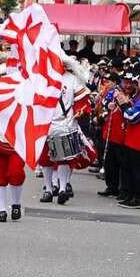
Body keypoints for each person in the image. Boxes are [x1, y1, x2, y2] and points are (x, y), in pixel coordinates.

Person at [39, 57, 90, 205]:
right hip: (45, 124)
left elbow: (82, 102)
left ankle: (61, 189)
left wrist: (81, 111)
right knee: (46, 159)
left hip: (65, 124)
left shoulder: (72, 79)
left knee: (63, 158)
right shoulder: (41, 78)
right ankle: (49, 189)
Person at [120, 71, 140, 209]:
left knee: (138, 171)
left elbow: (132, 116)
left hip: (139, 142)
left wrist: (124, 105)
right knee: (131, 170)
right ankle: (132, 195)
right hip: (135, 140)